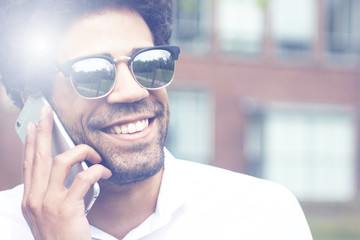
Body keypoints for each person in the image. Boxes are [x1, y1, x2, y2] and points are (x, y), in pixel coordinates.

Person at [0, 0, 313, 239]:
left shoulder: (263, 216)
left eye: (148, 64)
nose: (133, 91)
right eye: (92, 73)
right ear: (36, 102)